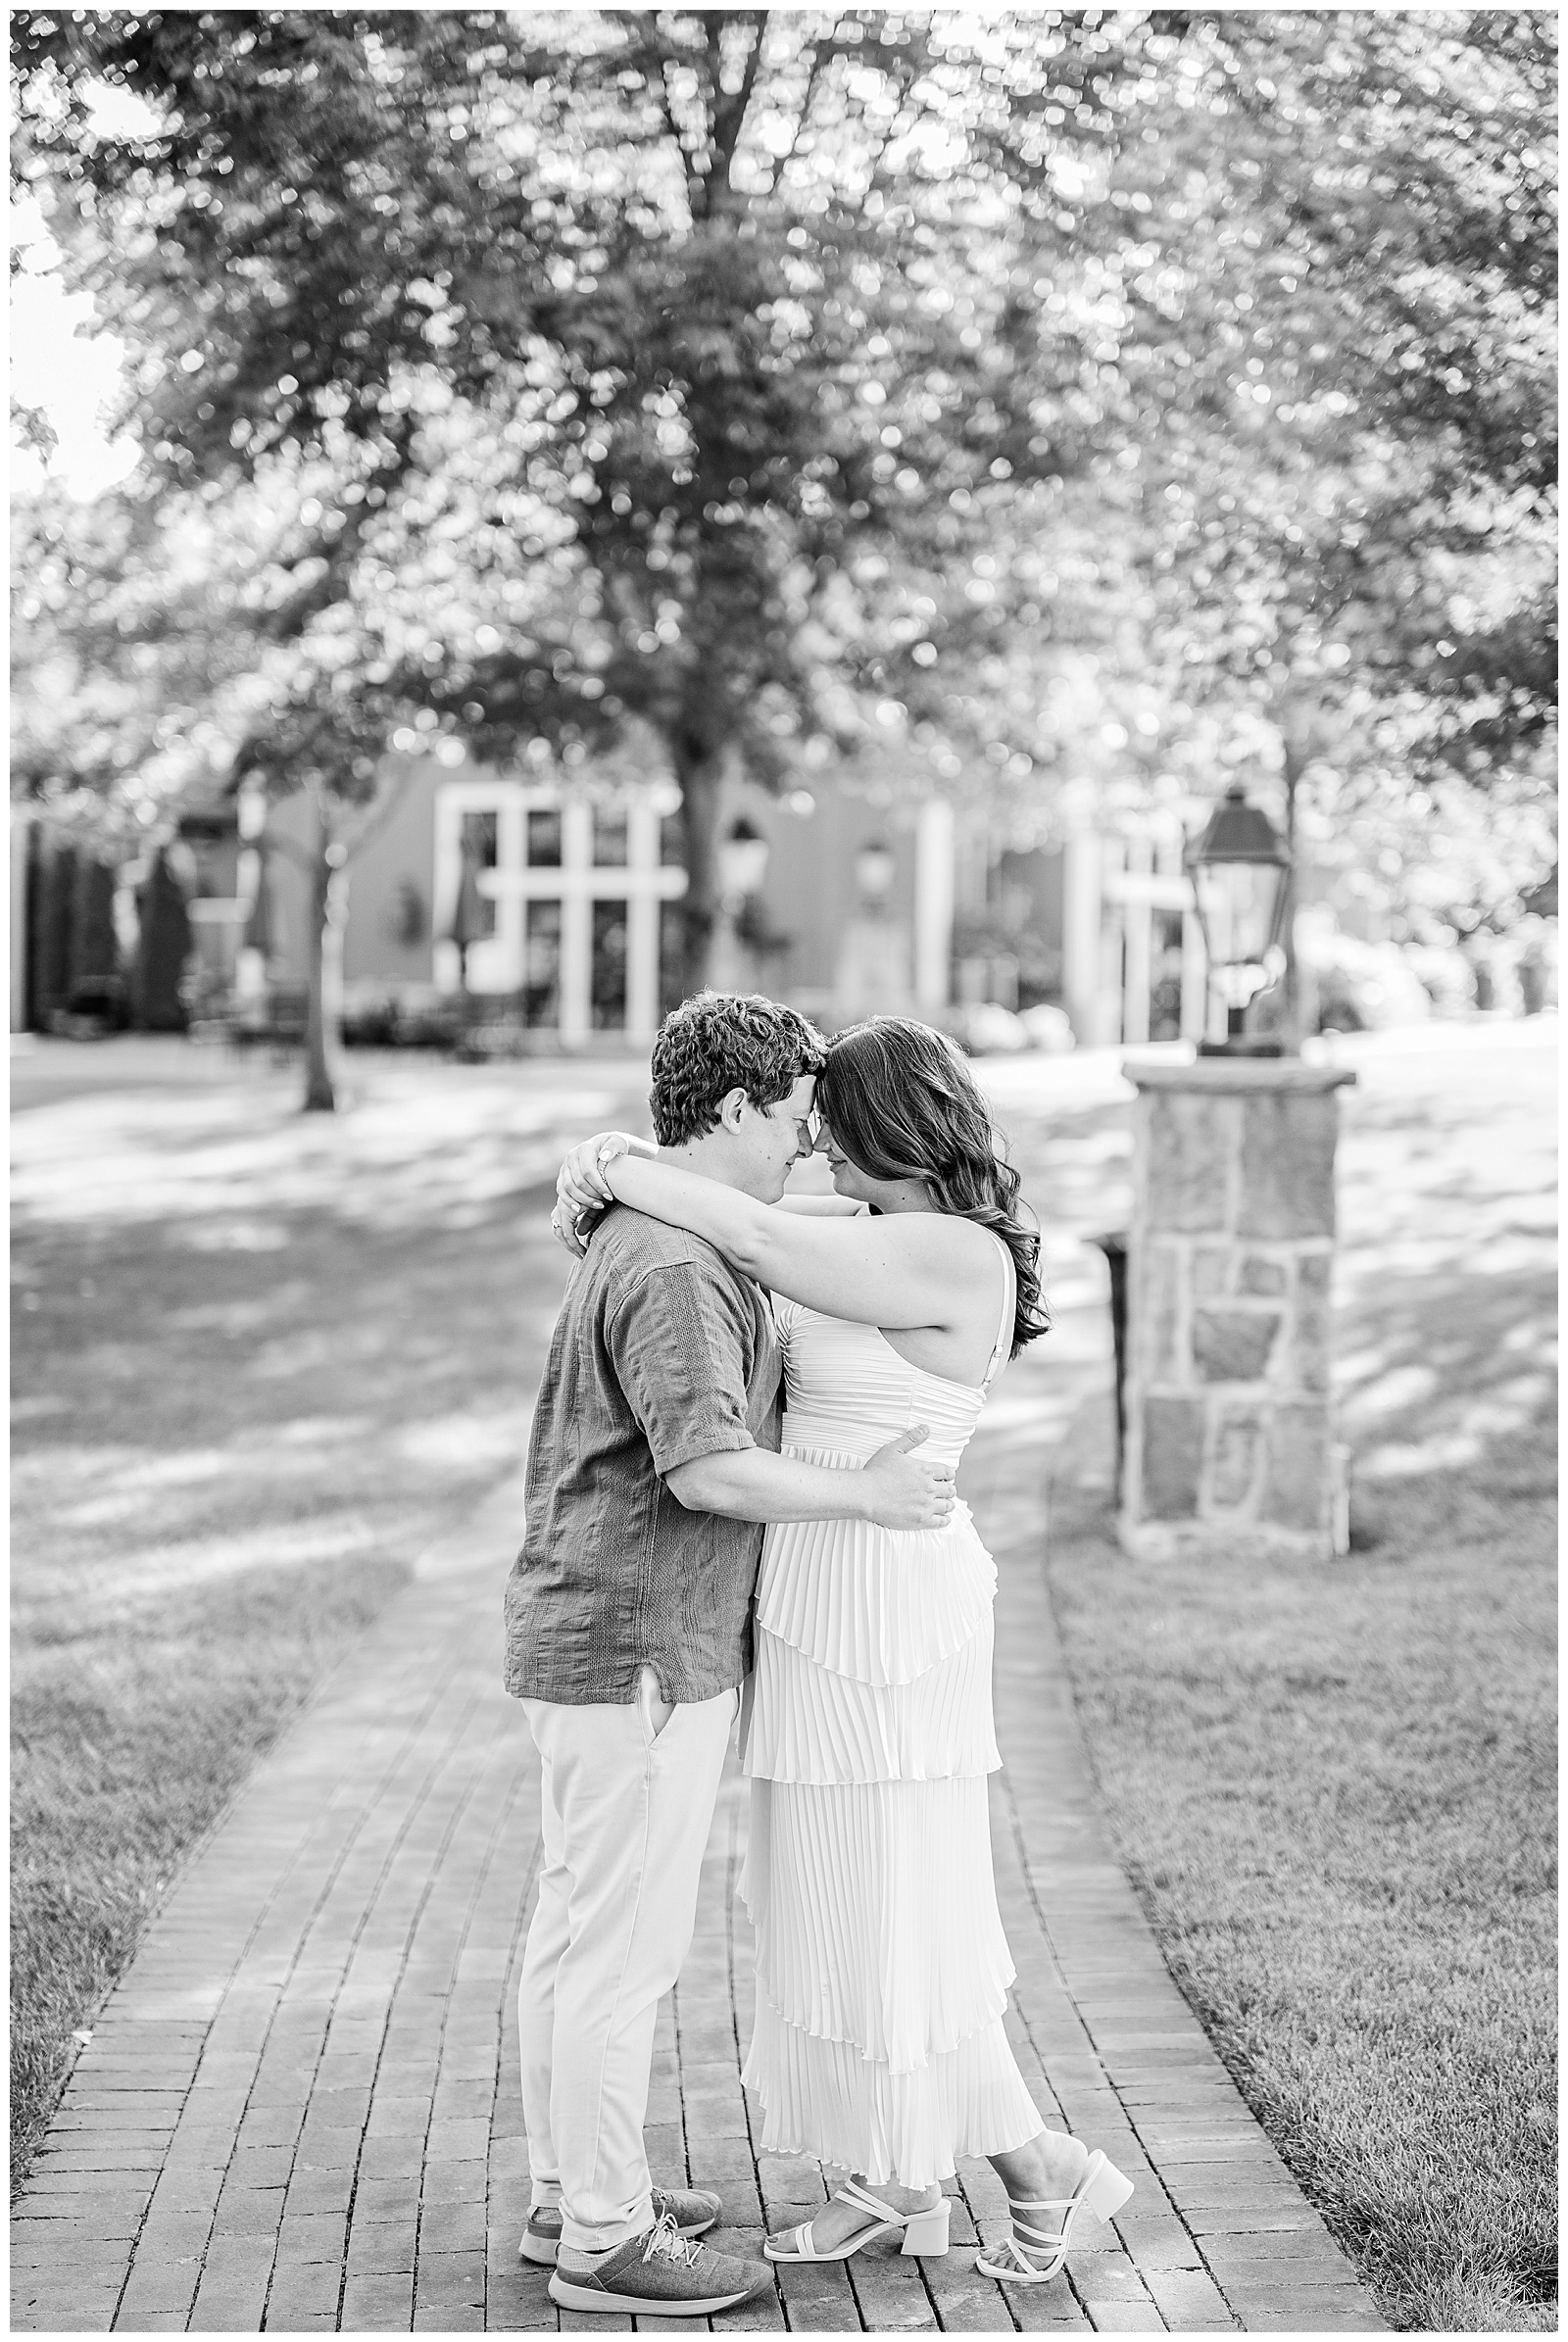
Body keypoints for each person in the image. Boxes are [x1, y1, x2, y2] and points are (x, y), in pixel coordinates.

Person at [554, 1012, 1134, 2288]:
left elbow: (748, 1232)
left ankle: (1043, 2172)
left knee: (889, 1911)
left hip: (886, 1608)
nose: (809, 1135)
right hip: (816, 1591)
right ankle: (892, 2183)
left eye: (831, 1117)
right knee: (821, 1904)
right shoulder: (870, 1231)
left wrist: (609, 1160)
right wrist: (623, 1161)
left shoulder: (952, 1252)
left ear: (888, 1126)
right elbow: (735, 1218)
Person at [506, 993, 958, 2320]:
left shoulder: (660, 1231)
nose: (812, 1142)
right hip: (640, 1644)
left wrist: (608, 1160)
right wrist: (864, 1498)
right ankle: (602, 2235)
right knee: (619, 1951)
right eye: (800, 1114)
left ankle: (564, 2189)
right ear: (746, 1106)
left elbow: (786, 1246)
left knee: (573, 1925)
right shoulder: (678, 1266)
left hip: (598, 1636)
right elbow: (704, 1469)